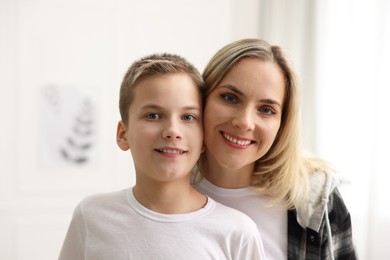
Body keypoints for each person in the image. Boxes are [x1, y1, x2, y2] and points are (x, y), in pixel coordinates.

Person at [59, 53, 266, 260]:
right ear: (123, 134)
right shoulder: (91, 216)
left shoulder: (238, 233)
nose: (172, 131)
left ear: (203, 138)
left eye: (188, 117)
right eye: (153, 115)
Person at [193, 39, 357, 260]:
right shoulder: (165, 185)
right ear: (202, 99)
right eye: (230, 98)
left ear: (282, 123)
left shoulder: (316, 200)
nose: (245, 122)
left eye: (266, 110)